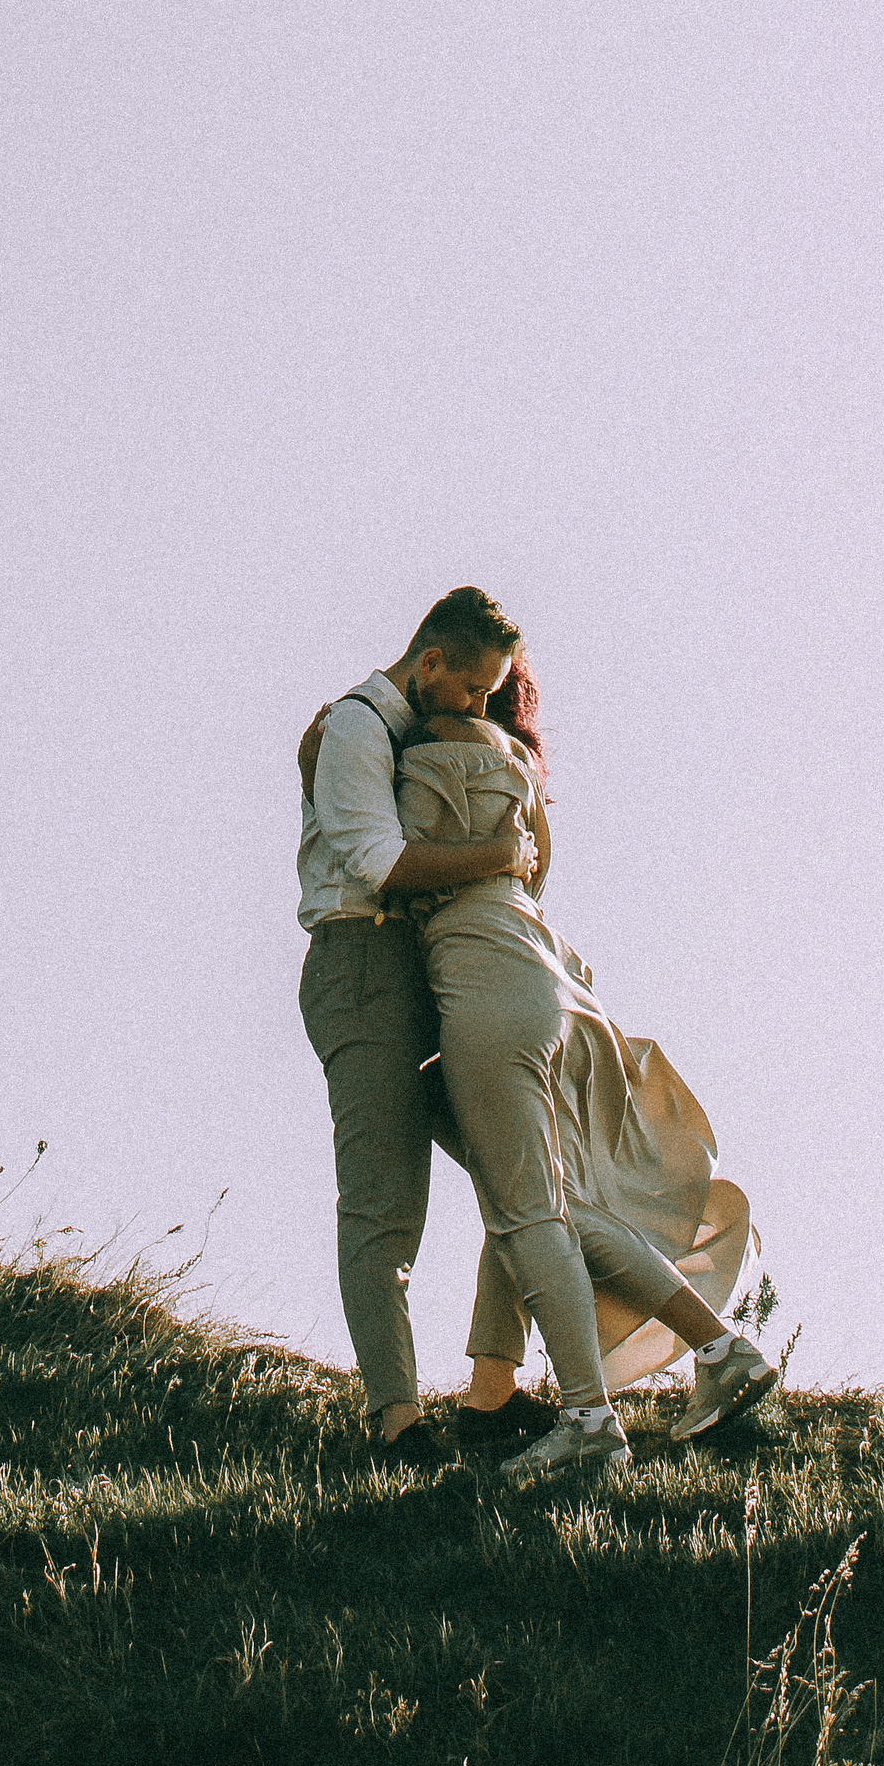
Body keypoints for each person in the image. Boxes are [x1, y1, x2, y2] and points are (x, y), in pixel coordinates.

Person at [395, 664, 779, 1475]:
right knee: (539, 1201)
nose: (441, 691)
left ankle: (589, 1423)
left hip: (491, 984)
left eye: (459, 679)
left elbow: (391, 862)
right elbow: (529, 876)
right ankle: (715, 1352)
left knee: (532, 1211)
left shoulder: (432, 748)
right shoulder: (520, 769)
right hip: (551, 984)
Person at [298, 589, 560, 1471]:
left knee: (517, 1168)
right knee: (385, 1204)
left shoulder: (407, 738)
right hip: (362, 966)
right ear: (432, 663)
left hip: (425, 974)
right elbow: (381, 866)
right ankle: (398, 1424)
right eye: (475, 691)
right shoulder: (357, 729)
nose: (481, 709)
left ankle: (491, 1392)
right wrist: (503, 856)